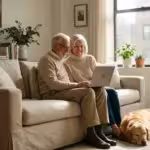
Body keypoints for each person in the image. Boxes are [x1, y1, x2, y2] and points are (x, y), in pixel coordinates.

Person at [38, 33, 116, 149]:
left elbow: (68, 81)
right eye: (67, 47)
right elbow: (53, 84)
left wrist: (86, 84)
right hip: (52, 93)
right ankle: (91, 134)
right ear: (57, 46)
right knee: (88, 92)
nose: (69, 50)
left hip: (64, 90)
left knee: (100, 90)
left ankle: (100, 131)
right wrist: (78, 84)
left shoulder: (60, 59)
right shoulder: (46, 60)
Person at [65, 34, 121, 137]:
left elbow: (98, 74)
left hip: (95, 85)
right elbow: (70, 81)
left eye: (82, 46)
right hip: (83, 89)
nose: (80, 49)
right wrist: (84, 84)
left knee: (112, 92)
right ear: (71, 48)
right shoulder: (67, 62)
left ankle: (118, 125)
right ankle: (113, 126)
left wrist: (99, 80)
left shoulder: (90, 59)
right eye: (76, 46)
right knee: (105, 93)